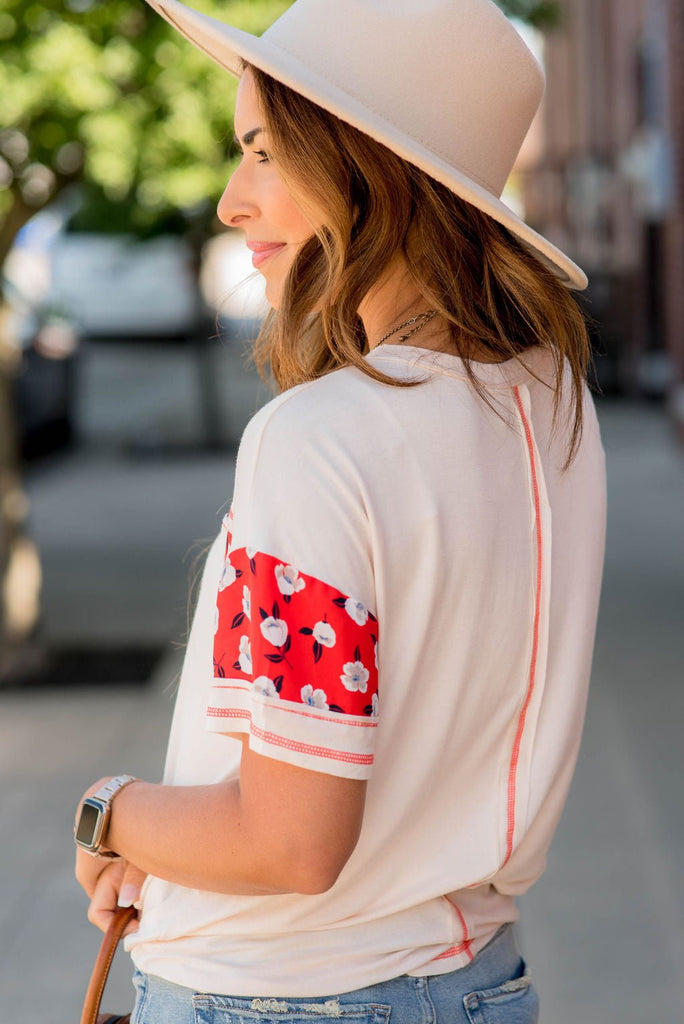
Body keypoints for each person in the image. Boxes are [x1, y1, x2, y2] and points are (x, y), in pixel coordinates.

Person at [74, 2, 606, 1022]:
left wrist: (110, 812)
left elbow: (292, 842)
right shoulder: (552, 404)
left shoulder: (320, 438)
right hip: (477, 978)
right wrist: (168, 840)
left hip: (282, 997)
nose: (232, 202)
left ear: (368, 169)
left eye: (264, 154)